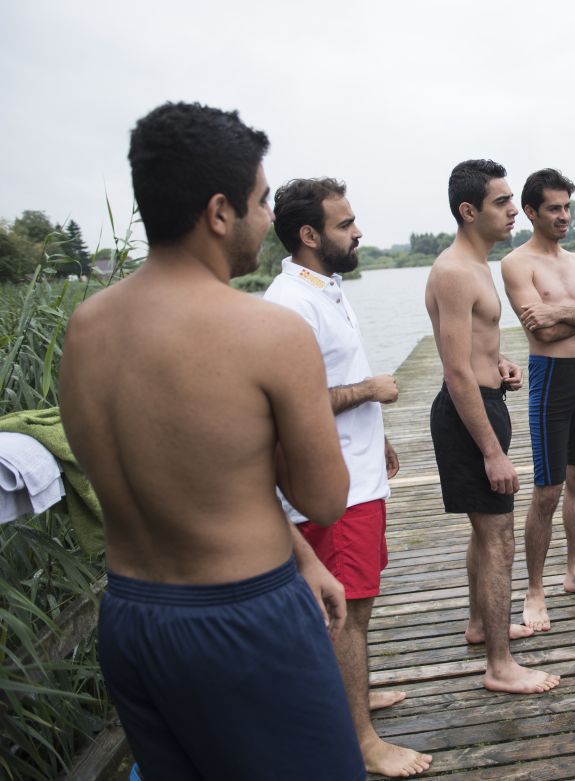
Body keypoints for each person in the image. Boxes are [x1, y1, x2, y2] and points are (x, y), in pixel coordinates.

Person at [58, 102, 365, 779]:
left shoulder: (86, 328)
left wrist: (304, 561)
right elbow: (325, 499)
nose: (266, 219)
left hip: (133, 619)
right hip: (244, 620)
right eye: (260, 201)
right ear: (220, 211)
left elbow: (196, 479)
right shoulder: (268, 333)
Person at [263, 178, 431, 777]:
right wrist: (369, 391)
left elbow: (335, 373)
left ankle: (350, 696)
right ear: (309, 235)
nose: (358, 232)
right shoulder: (290, 303)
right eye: (345, 224)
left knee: (356, 607)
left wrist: (375, 426)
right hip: (330, 491)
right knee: (344, 611)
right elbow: (290, 402)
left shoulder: (326, 289)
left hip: (359, 476)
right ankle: (362, 741)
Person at [425, 159, 561, 694]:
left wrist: (499, 363)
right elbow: (456, 370)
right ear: (469, 210)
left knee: (486, 531)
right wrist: (491, 452)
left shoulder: (478, 265)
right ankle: (500, 666)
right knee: (499, 536)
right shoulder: (455, 272)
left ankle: (481, 625)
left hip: (485, 400)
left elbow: (474, 352)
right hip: (467, 417)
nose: (512, 210)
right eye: (502, 202)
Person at [501, 169, 575, 633]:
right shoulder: (517, 264)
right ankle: (534, 589)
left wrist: (562, 310)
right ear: (531, 212)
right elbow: (543, 331)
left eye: (567, 206)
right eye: (554, 208)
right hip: (551, 379)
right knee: (548, 489)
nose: (563, 215)